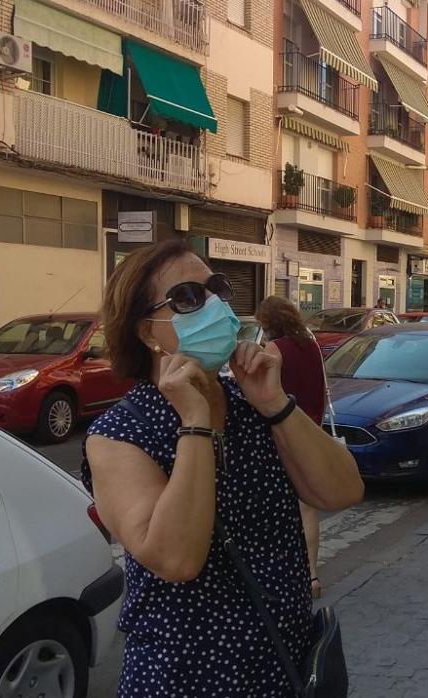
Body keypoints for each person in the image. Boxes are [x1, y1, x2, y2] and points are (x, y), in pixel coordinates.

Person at [83, 239, 364, 696]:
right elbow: (175, 559)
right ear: (146, 331)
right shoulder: (119, 434)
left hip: (282, 662)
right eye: (188, 298)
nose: (213, 306)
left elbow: (343, 492)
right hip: (189, 674)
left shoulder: (251, 403)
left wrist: (274, 402)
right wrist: (195, 422)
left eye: (216, 290)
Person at [256, 296, 327, 599]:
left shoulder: (274, 350)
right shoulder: (311, 345)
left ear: (269, 323)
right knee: (306, 506)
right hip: (312, 428)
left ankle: (281, 571)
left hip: (283, 432)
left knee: (278, 506)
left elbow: (262, 393)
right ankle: (312, 575)